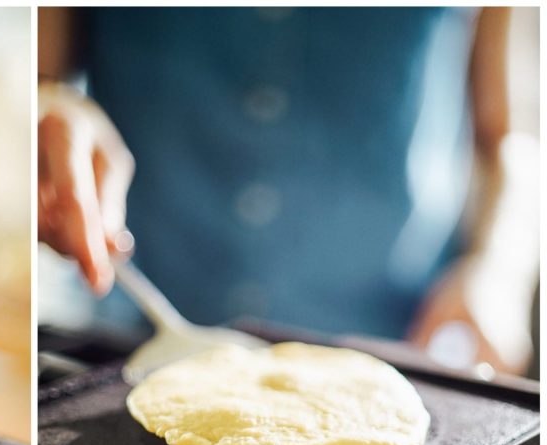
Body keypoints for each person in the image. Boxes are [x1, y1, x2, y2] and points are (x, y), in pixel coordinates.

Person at [38, 7, 538, 374]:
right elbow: (41, 80)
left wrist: (498, 269)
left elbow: (508, 138)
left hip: (396, 339)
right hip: (137, 332)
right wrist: (44, 111)